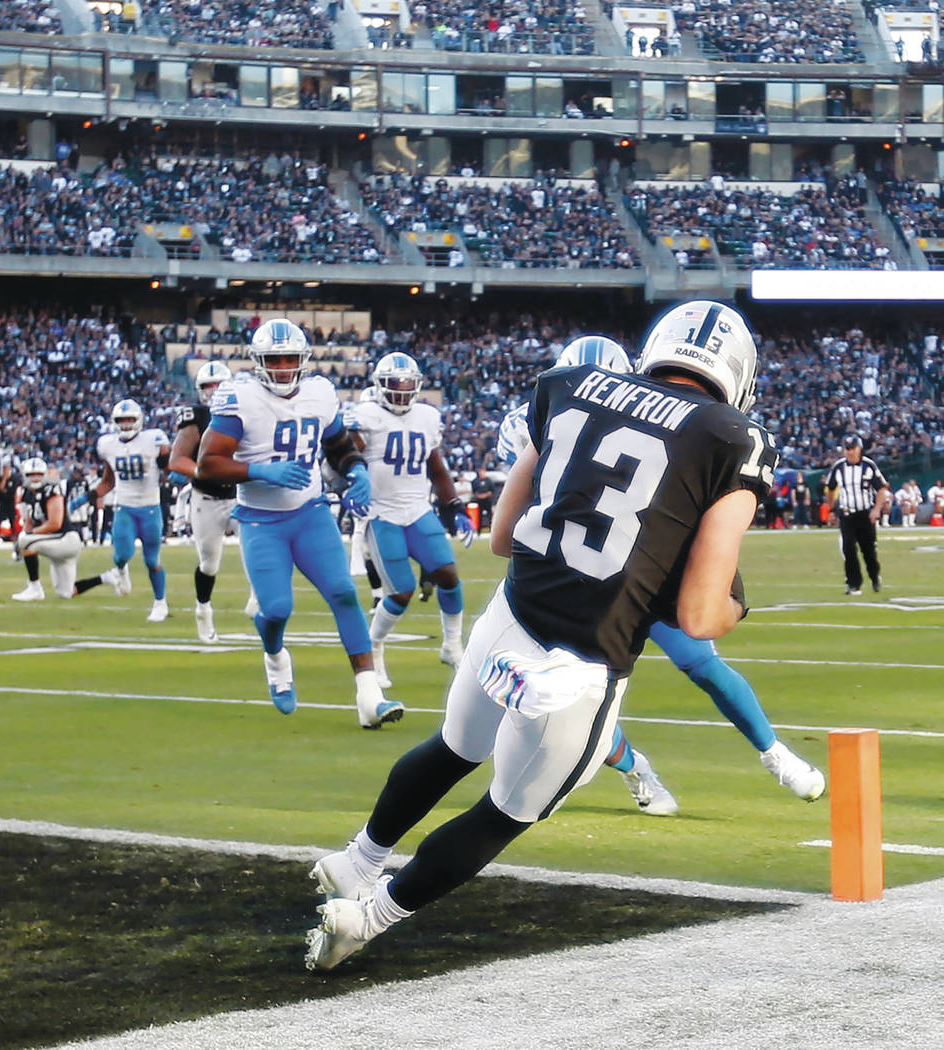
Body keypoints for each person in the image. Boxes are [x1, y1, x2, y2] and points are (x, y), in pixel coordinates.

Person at [305, 300, 784, 971]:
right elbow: (702, 616)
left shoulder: (568, 387)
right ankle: (368, 917)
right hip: (584, 661)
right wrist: (735, 606)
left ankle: (356, 859)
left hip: (511, 614)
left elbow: (502, 536)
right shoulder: (735, 437)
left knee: (452, 748)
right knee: (507, 810)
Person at [497, 333, 823, 813]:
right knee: (574, 696)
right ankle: (635, 768)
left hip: (650, 569)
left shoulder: (662, 417)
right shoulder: (542, 417)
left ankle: (774, 753)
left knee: (702, 664)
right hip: (583, 579)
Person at [196, 318, 404, 728]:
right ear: (258, 362)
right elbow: (207, 463)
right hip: (261, 519)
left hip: (310, 512)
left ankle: (369, 695)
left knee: (344, 593)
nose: (285, 366)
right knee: (275, 610)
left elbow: (338, 444)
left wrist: (357, 472)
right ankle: (275, 658)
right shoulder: (239, 397)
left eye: (292, 358)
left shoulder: (320, 392)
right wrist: (260, 472)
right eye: (276, 359)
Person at [346, 352, 475, 689]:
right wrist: (348, 482)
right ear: (379, 386)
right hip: (381, 512)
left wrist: (455, 505)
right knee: (401, 591)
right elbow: (347, 457)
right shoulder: (366, 416)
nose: (401, 391)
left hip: (418, 509)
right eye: (394, 385)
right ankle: (374, 647)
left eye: (407, 385)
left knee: (447, 574)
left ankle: (451, 646)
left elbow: (436, 468)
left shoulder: (427, 417)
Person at [169, 360, 256, 643]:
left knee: (257, 545)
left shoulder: (244, 412)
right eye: (208, 386)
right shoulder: (197, 416)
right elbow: (176, 459)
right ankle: (203, 609)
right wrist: (201, 470)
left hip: (240, 495)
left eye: (218, 384)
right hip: (206, 497)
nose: (213, 391)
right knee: (209, 563)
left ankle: (259, 595)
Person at [95, 399, 171, 622]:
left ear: (139, 420)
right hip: (124, 507)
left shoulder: (154, 439)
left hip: (150, 508)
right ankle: (121, 570)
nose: (126, 424)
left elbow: (168, 461)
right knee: (121, 554)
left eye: (130, 420)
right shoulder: (108, 445)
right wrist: (89, 496)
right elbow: (108, 480)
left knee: (152, 560)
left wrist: (170, 465)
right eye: (121, 420)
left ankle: (160, 602)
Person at [11, 457, 123, 601]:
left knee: (24, 539)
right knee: (66, 593)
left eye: (38, 474)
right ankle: (107, 577)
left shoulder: (52, 490)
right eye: (31, 474)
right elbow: (29, 524)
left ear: (44, 474)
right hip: (53, 542)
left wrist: (28, 536)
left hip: (66, 540)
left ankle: (35, 587)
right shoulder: (27, 494)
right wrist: (27, 536)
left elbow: (55, 523)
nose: (35, 478)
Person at [826, 435, 890, 595]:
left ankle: (874, 577)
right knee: (848, 548)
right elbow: (831, 488)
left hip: (865, 514)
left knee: (868, 550)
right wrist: (832, 509)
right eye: (847, 449)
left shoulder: (869, 465)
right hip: (847, 514)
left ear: (859, 449)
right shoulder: (838, 467)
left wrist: (876, 509)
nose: (849, 452)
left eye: (852, 449)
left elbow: (882, 488)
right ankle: (854, 584)